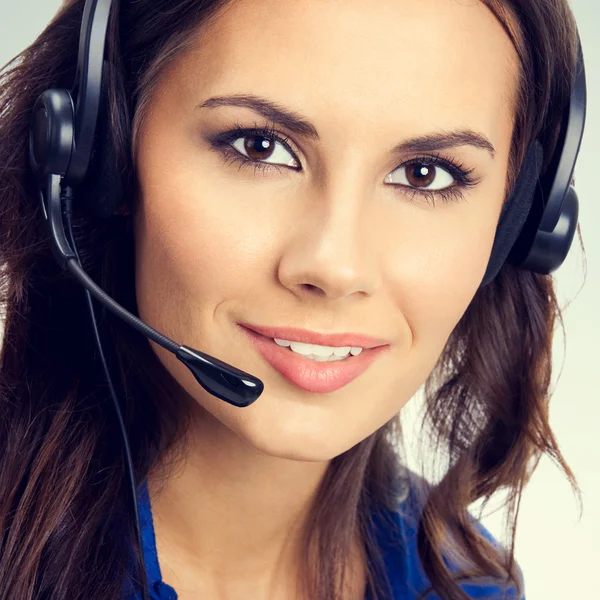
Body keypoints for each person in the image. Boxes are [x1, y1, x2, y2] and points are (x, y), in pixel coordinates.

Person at [0, 0, 584, 598]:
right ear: (105, 155)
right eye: (259, 147)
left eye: (424, 175)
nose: (335, 267)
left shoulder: (466, 583)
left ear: (519, 223)